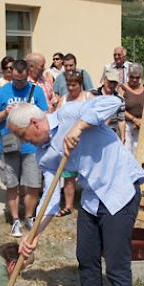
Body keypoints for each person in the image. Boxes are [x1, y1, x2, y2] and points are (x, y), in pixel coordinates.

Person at [10, 97, 144, 286]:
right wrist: (33, 235)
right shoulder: (44, 154)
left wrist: (79, 126)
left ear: (35, 123)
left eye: (22, 135)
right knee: (86, 257)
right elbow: (51, 197)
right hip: (92, 199)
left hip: (119, 191)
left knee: (117, 266)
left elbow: (113, 101)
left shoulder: (69, 114)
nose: (23, 142)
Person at [0, 59, 48, 237]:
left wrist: (31, 110)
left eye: (22, 80)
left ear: (27, 75)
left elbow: (46, 115)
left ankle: (29, 216)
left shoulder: (36, 91)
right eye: (15, 80)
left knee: (33, 185)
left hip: (31, 146)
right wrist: (5, 113)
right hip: (9, 145)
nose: (19, 83)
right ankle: (15, 220)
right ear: (10, 74)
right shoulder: (1, 93)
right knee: (12, 185)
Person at [54, 70, 94, 218]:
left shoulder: (88, 97)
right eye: (69, 85)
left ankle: (92, 202)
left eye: (74, 85)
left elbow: (98, 116)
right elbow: (56, 118)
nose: (71, 88)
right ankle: (69, 205)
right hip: (67, 144)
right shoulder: (64, 99)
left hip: (86, 143)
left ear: (80, 84)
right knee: (68, 176)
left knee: (89, 174)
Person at [120, 63, 144, 155]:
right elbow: (120, 109)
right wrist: (134, 119)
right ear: (128, 75)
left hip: (141, 124)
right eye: (132, 77)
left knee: (139, 153)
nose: (134, 79)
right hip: (127, 125)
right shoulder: (122, 88)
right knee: (127, 152)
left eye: (137, 77)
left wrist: (141, 121)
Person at [91, 68, 126, 142]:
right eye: (110, 82)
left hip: (111, 134)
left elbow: (121, 120)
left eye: (114, 82)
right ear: (104, 80)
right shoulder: (92, 95)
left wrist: (122, 138)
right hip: (93, 132)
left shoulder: (120, 99)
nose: (112, 85)